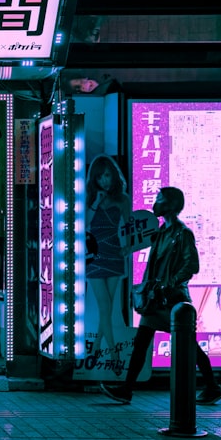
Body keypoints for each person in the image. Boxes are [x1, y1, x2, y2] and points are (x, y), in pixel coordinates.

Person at [100, 187, 221, 405]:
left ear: (171, 205)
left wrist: (169, 283)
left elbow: (191, 266)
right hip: (156, 299)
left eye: (159, 200)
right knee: (142, 342)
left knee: (187, 344)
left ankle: (212, 386)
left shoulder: (182, 233)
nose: (154, 204)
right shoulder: (160, 233)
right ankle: (126, 389)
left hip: (173, 300)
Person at [84, 155, 131, 367]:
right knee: (105, 306)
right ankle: (113, 355)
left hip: (115, 255)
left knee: (108, 308)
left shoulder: (123, 199)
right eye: (100, 176)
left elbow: (130, 227)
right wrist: (94, 203)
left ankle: (96, 350)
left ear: (114, 175)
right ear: (94, 178)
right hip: (93, 256)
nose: (105, 180)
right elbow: (83, 225)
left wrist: (128, 248)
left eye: (108, 175)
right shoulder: (88, 199)